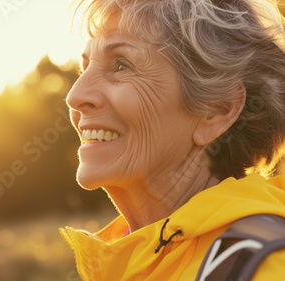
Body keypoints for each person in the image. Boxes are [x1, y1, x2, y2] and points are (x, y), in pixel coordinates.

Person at [59, 0, 285, 280]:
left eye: (121, 66)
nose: (75, 96)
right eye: (85, 68)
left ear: (217, 110)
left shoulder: (263, 268)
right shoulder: (130, 260)